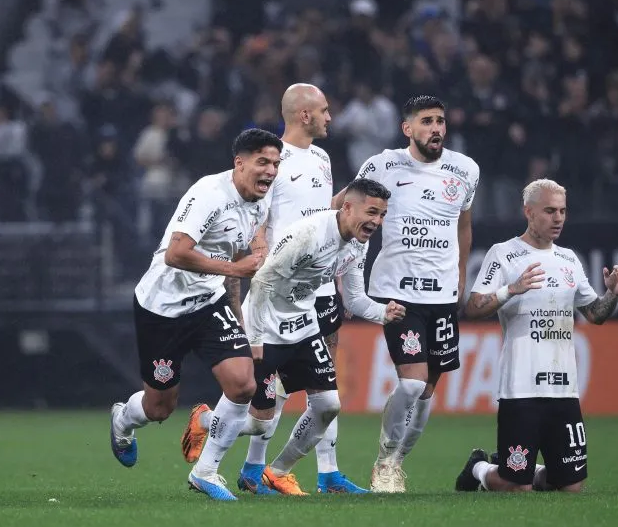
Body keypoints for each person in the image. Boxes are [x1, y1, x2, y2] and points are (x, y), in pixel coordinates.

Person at [183, 179, 405, 497]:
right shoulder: (310, 235)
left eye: (382, 215)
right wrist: (256, 339)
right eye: (371, 212)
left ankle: (278, 471)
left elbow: (355, 299)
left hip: (303, 326)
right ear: (347, 207)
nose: (376, 222)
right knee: (259, 421)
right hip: (266, 326)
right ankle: (204, 460)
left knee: (328, 405)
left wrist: (385, 313)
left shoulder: (359, 242)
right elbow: (261, 283)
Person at [109, 128, 281, 501]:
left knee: (243, 384)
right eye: (263, 162)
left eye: (275, 164)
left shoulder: (259, 204)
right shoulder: (209, 194)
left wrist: (238, 318)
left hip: (208, 301)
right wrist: (235, 270)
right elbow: (176, 253)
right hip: (162, 308)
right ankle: (123, 419)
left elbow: (235, 260)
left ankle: (206, 471)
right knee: (159, 407)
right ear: (240, 163)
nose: (270, 171)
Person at [332, 95, 480, 493]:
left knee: (427, 392)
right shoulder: (383, 164)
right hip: (397, 293)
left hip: (443, 296)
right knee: (412, 385)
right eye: (427, 121)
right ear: (407, 129)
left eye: (441, 121)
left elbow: (463, 227)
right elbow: (342, 207)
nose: (437, 128)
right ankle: (383, 462)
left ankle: (396, 461)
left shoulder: (465, 170)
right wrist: (329, 262)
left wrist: (462, 274)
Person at [230, 83, 369, 494]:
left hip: (319, 284)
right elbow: (256, 213)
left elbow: (324, 214)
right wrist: (257, 259)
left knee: (325, 382)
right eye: (324, 110)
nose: (330, 117)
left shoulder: (323, 158)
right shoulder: (273, 159)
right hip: (279, 290)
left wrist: (362, 187)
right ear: (305, 115)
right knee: (270, 385)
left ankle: (328, 472)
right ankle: (254, 467)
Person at [455, 179, 618, 494]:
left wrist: (612, 295)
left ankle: (519, 468)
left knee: (571, 486)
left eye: (562, 211)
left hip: (564, 388)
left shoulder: (569, 260)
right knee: (515, 487)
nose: (558, 218)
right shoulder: (504, 254)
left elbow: (594, 314)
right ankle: (479, 468)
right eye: (549, 211)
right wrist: (511, 289)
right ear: (529, 212)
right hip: (521, 389)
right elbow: (474, 306)